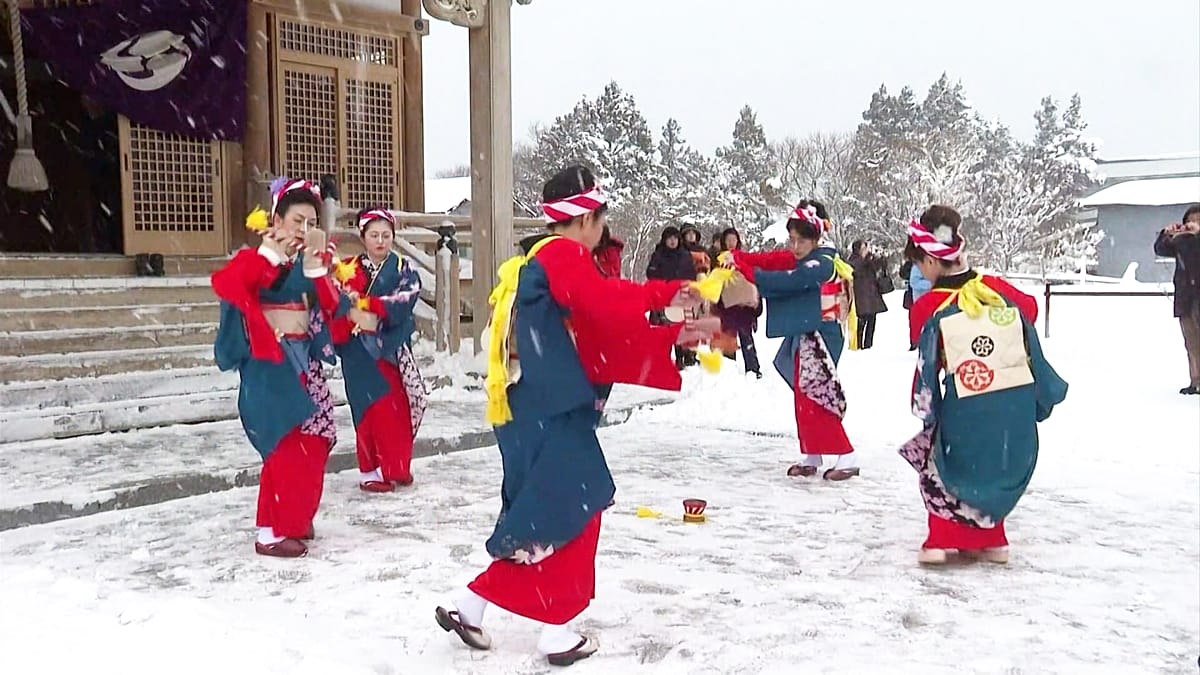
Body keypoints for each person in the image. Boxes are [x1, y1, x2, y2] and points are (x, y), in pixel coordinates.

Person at [434, 165, 716, 667]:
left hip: (534, 407)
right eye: (601, 218)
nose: (604, 227)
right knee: (576, 507)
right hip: (549, 410)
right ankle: (550, 629)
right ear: (586, 218)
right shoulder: (563, 255)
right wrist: (661, 299)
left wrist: (668, 327)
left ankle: (473, 605)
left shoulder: (539, 261)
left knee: (544, 514)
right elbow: (601, 304)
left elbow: (594, 328)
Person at [901, 205, 1068, 566]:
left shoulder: (930, 304)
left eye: (918, 264)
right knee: (995, 461)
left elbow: (924, 344)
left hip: (967, 400)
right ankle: (993, 540)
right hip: (1010, 398)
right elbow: (1030, 310)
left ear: (930, 261)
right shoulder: (993, 288)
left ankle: (942, 539)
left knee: (950, 463)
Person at [210, 178, 347, 558]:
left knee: (316, 439)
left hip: (305, 361)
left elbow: (336, 309)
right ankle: (271, 530)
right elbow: (231, 285)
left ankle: (295, 516)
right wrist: (269, 256)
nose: (303, 230)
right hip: (273, 365)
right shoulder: (254, 259)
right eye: (297, 220)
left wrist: (320, 274)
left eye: (310, 222)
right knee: (285, 445)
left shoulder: (311, 262)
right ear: (276, 220)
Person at [724, 204, 859, 480]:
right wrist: (740, 257)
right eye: (793, 240)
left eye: (802, 240)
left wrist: (747, 271)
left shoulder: (821, 263)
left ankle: (846, 454)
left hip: (823, 335)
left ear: (816, 238)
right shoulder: (810, 257)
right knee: (804, 396)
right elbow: (774, 260)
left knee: (816, 394)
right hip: (808, 332)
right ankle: (812, 452)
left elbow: (791, 280)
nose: (795, 246)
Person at [331, 207, 426, 492]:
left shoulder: (402, 268)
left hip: (390, 347)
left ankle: (395, 467)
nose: (381, 241)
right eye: (374, 235)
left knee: (395, 407)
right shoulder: (346, 269)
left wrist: (369, 305)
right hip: (357, 349)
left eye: (386, 235)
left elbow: (405, 299)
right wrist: (350, 309)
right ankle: (369, 471)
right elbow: (333, 304)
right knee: (365, 409)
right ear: (363, 237)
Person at [1153, 204, 1200, 395]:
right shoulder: (1182, 241)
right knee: (1191, 342)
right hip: (1185, 296)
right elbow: (1160, 249)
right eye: (1191, 220)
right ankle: (1195, 381)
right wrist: (1166, 234)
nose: (1194, 224)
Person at [646, 226, 699, 369]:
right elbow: (651, 274)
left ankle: (681, 358)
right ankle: (662, 360)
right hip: (663, 297)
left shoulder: (685, 255)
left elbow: (691, 275)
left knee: (679, 328)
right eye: (669, 238)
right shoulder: (658, 255)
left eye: (675, 238)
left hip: (681, 297)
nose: (672, 241)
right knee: (663, 330)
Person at [714, 227, 763, 378]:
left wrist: (756, 301)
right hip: (727, 305)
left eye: (733, 240)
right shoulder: (719, 261)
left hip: (744, 307)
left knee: (745, 335)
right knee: (728, 337)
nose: (731, 243)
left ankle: (753, 369)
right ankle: (730, 370)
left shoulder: (745, 258)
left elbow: (752, 279)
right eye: (728, 240)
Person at [847, 240, 889, 350]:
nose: (866, 251)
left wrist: (881, 258)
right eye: (863, 248)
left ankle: (868, 345)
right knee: (861, 322)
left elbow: (877, 267)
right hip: (860, 295)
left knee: (872, 321)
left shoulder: (869, 259)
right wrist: (866, 259)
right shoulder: (853, 260)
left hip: (871, 294)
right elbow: (855, 269)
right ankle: (858, 344)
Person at [900, 258, 932, 351]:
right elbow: (914, 281)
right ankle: (916, 343)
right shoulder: (916, 266)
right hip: (919, 300)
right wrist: (932, 284)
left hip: (930, 299)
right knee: (920, 323)